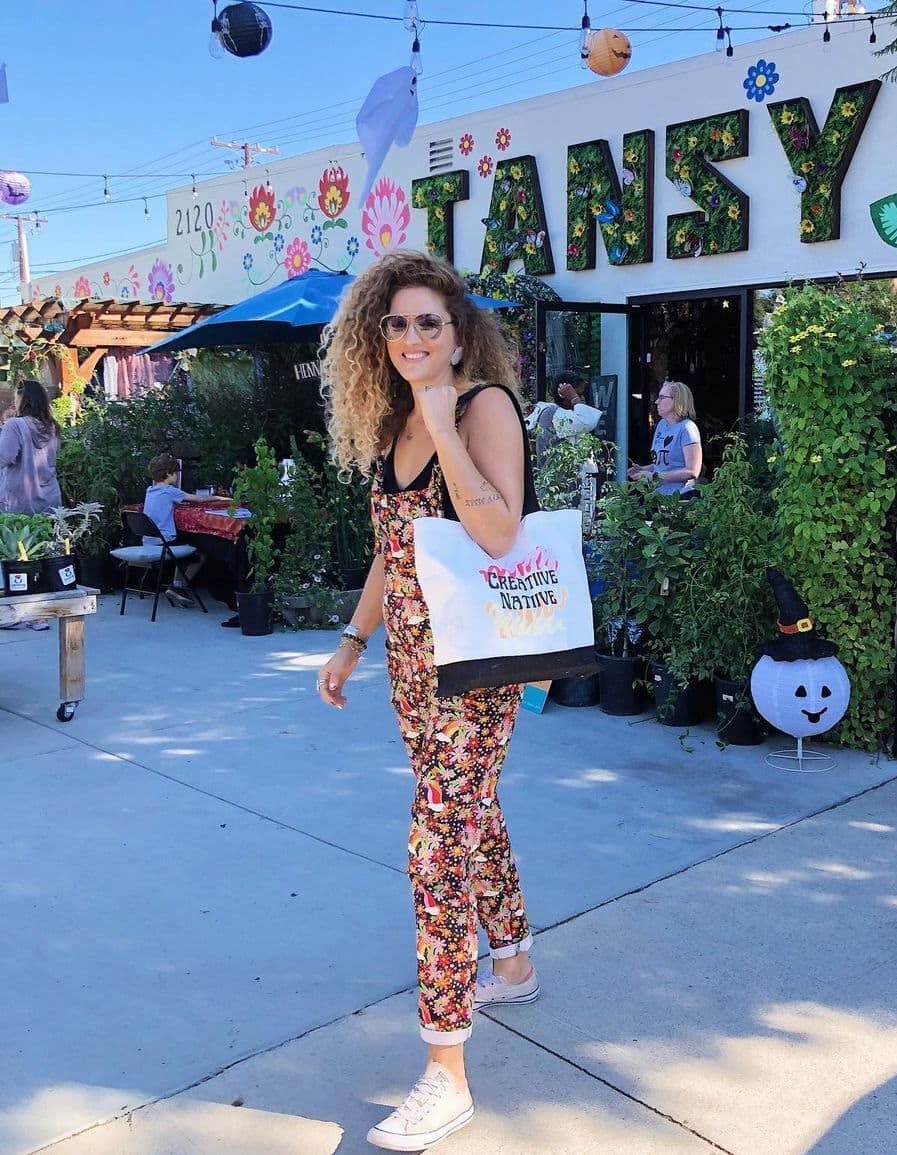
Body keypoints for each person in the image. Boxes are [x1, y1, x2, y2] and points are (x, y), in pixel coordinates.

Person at [318, 250, 537, 1152]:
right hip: (412, 670)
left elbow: (499, 528)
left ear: (458, 334)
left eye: (428, 323)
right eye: (397, 324)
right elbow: (389, 550)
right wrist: (352, 640)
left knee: (434, 846)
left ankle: (446, 1069)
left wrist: (447, 423)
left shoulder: (480, 408)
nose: (411, 337)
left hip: (476, 670)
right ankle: (513, 960)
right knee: (468, 812)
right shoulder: (392, 428)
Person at [0, 380, 61, 631]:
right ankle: (40, 615)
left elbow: (4, 457)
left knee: (15, 560)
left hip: (18, 501)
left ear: (23, 399)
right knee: (43, 557)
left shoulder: (15, 425)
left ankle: (18, 612)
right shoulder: (51, 427)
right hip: (48, 499)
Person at [142, 452, 219, 608]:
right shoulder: (170, 491)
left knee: (183, 542)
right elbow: (199, 499)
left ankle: (177, 586)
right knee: (200, 552)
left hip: (149, 542)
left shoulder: (150, 490)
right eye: (175, 473)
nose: (177, 476)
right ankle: (180, 587)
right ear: (169, 474)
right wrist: (220, 498)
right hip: (165, 545)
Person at [628, 379, 703, 496]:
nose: (657, 401)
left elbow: (692, 471)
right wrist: (643, 469)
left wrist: (654, 476)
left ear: (677, 400)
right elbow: (664, 465)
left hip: (681, 498)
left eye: (662, 397)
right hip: (659, 496)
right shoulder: (662, 425)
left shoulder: (687, 428)